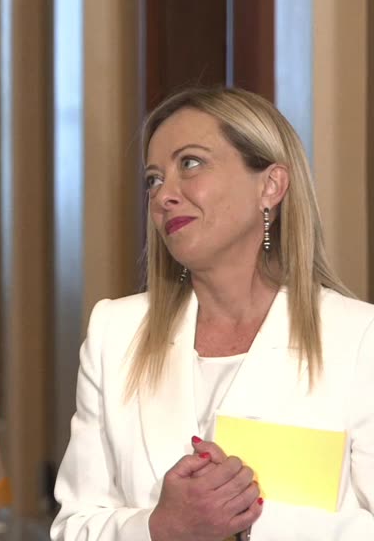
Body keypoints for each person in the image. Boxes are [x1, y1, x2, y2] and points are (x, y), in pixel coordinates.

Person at [51, 86, 374, 540]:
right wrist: (159, 528)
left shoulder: (358, 338)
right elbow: (73, 527)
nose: (164, 196)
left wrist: (244, 518)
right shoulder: (115, 334)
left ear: (271, 185)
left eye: (190, 163)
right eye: (154, 178)